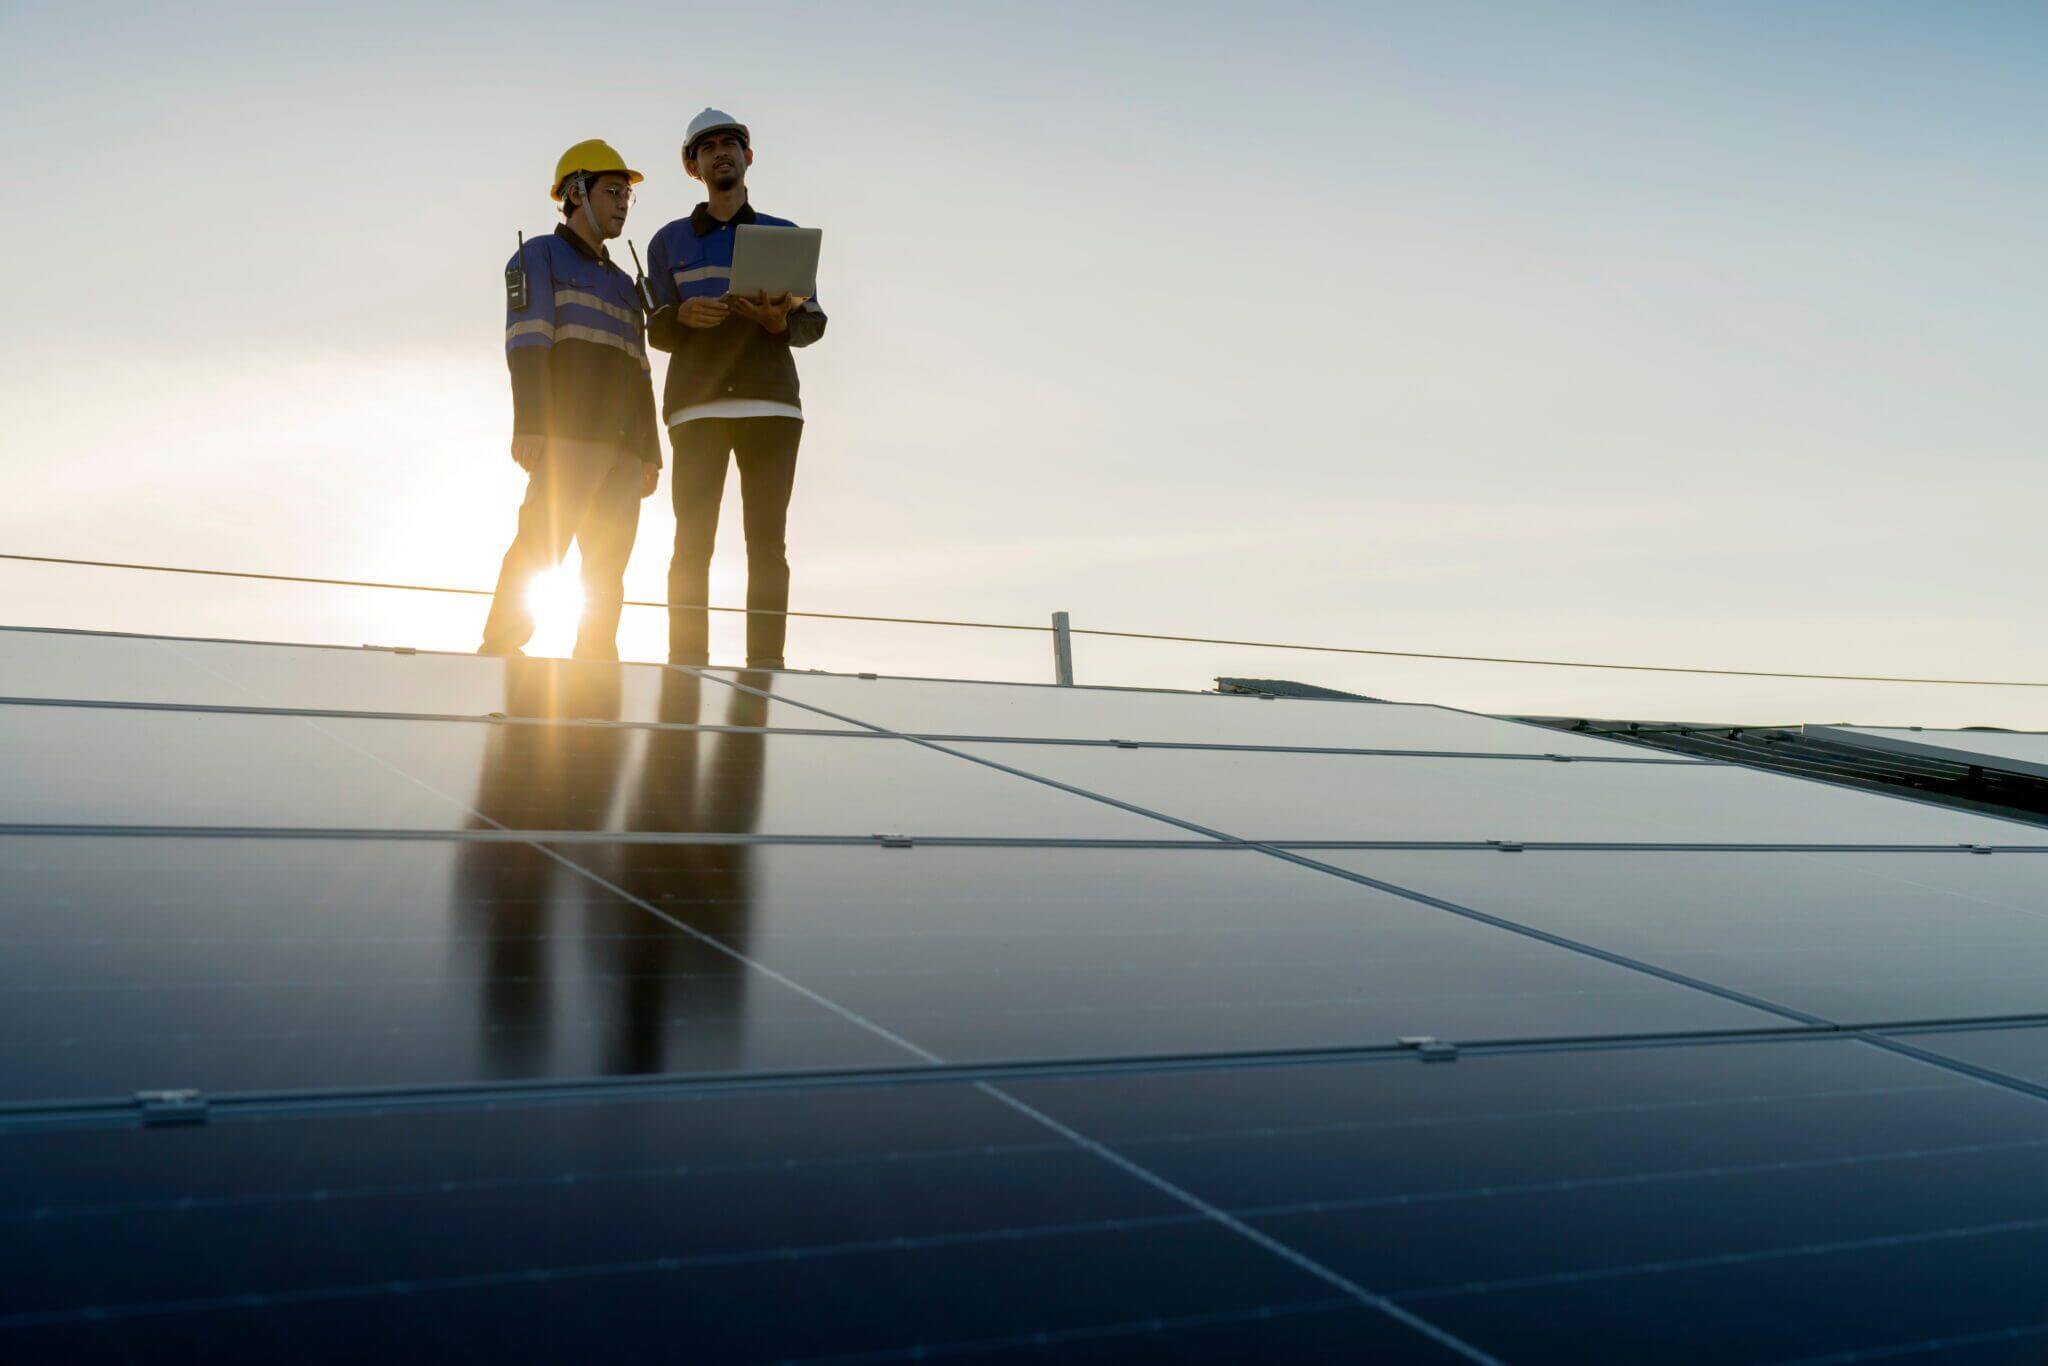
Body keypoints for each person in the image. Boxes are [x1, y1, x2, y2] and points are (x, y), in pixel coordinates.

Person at [646, 108, 828, 669]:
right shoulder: (667, 242)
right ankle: (686, 663)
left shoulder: (784, 236)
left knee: (767, 544)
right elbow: (656, 329)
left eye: (730, 144)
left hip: (771, 404)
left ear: (748, 157)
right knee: (691, 543)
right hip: (696, 408)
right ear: (692, 166)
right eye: (707, 148)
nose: (720, 152)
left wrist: (779, 323)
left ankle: (766, 669)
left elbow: (812, 322)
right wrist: (683, 317)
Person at [479, 139, 663, 660]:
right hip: (566, 438)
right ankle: (499, 651)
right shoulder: (539, 255)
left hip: (625, 450)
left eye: (628, 194)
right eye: (613, 191)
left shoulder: (627, 285)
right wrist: (530, 424)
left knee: (608, 569)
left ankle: (595, 663)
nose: (623, 203)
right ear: (576, 192)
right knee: (540, 547)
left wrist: (650, 452)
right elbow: (527, 341)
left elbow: (641, 369)